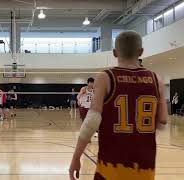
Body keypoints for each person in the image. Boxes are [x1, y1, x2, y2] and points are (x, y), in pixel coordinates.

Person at [69, 31, 168, 180]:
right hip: (144, 166)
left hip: (110, 166)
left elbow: (91, 121)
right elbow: (163, 120)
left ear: (115, 52)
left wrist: (76, 158)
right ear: (141, 52)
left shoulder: (106, 77)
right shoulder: (157, 79)